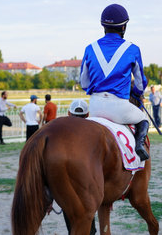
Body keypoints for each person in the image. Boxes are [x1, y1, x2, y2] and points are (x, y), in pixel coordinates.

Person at [80, 4, 149, 160]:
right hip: (119, 107)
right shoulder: (133, 49)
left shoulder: (90, 48)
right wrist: (137, 93)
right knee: (143, 119)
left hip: (95, 107)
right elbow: (140, 83)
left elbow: (84, 83)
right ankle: (139, 148)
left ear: (103, 25)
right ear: (124, 27)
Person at [63, 98, 96, 235]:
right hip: (88, 189)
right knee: (90, 229)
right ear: (87, 115)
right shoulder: (94, 133)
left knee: (72, 227)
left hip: (65, 190)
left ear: (69, 114)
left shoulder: (61, 134)